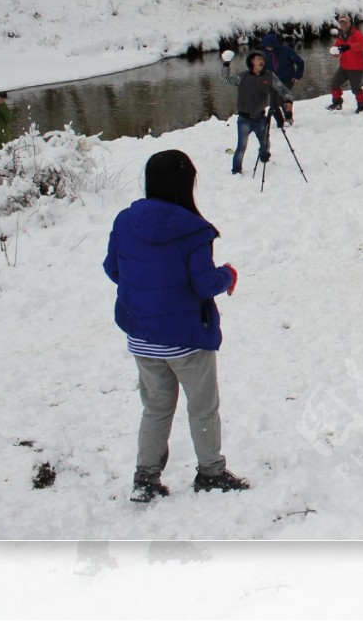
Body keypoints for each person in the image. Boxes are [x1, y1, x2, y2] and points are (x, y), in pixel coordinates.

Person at [102, 150, 248, 501]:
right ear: (185, 184)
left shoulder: (125, 221)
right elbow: (202, 283)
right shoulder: (193, 230)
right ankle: (211, 472)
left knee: (155, 408)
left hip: (143, 338)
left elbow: (112, 269)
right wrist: (226, 275)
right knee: (202, 406)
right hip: (186, 340)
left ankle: (146, 479)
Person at [221, 50, 292, 176]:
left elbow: (282, 89)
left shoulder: (269, 76)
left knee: (266, 143)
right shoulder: (243, 76)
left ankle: (264, 157)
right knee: (241, 147)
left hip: (260, 118)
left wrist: (288, 100)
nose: (261, 61)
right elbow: (227, 81)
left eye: (263, 60)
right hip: (244, 119)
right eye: (259, 59)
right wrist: (226, 64)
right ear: (252, 61)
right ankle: (236, 171)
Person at [260, 32, 304, 126]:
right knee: (272, 104)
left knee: (281, 97)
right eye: (267, 46)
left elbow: (300, 62)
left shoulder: (286, 50)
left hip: (287, 79)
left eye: (270, 46)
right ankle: (280, 123)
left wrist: (297, 75)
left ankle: (288, 117)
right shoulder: (264, 54)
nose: (268, 48)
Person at [326, 14, 363, 113]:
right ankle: (337, 103)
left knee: (356, 89)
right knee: (334, 83)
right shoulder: (341, 35)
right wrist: (334, 51)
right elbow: (337, 49)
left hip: (356, 67)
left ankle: (362, 105)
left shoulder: (356, 33)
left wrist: (348, 47)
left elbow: (362, 44)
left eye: (345, 22)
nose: (343, 24)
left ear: (349, 23)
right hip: (344, 66)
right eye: (341, 22)